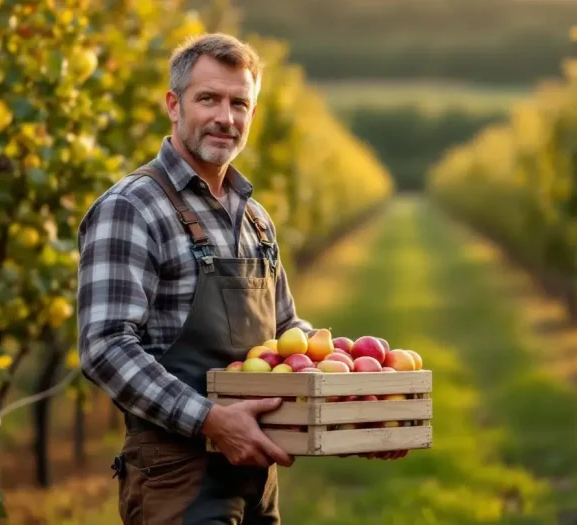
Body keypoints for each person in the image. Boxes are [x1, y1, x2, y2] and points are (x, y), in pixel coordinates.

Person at [77, 32, 402, 525]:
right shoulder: (132, 207)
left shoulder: (254, 218)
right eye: (208, 99)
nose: (225, 118)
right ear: (173, 105)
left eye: (239, 103)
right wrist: (210, 420)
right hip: (176, 473)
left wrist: (356, 404)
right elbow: (105, 347)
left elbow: (286, 331)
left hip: (257, 471)